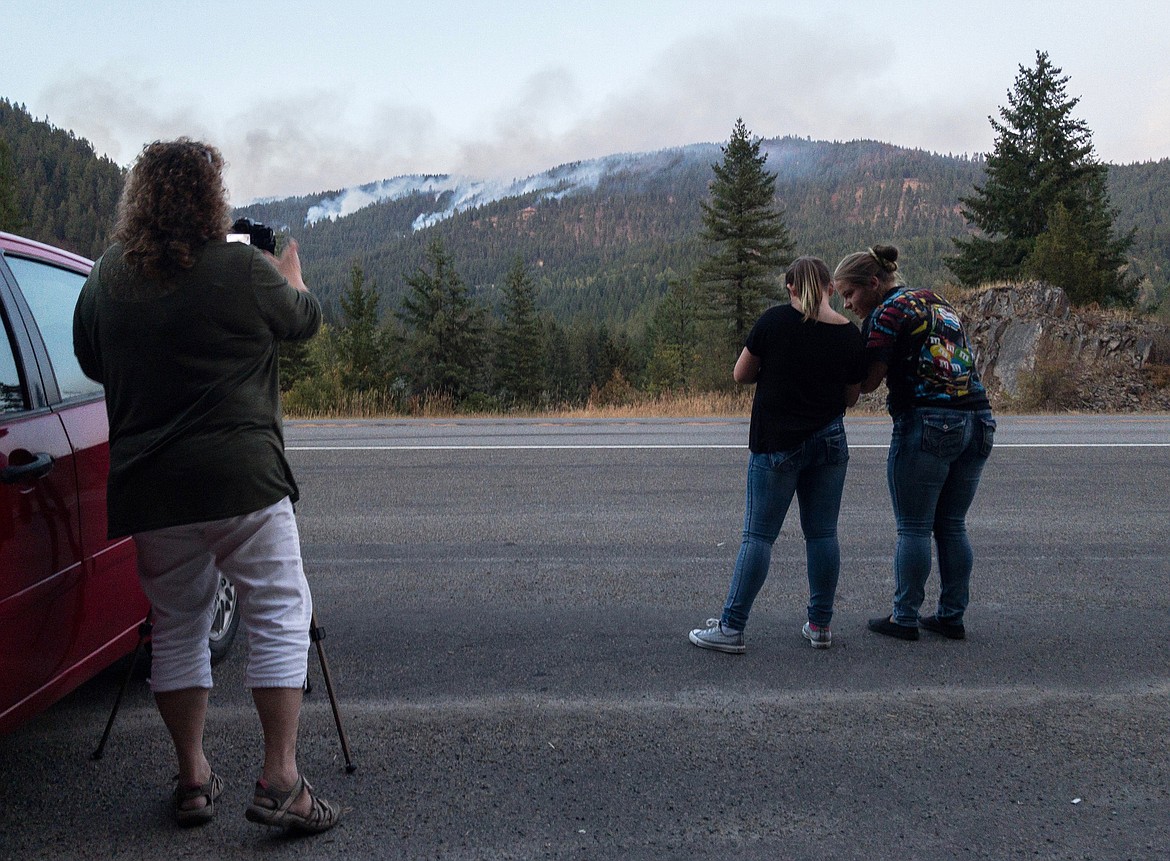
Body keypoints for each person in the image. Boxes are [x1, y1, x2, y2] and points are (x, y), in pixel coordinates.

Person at [72, 139, 341, 833]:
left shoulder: (106, 278)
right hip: (243, 481)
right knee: (280, 609)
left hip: (153, 490)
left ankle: (193, 777)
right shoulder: (243, 270)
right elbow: (305, 322)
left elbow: (89, 356)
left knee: (179, 627)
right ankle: (280, 778)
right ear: (210, 199)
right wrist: (292, 274)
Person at [689, 257, 865, 653]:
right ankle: (820, 625)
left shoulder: (773, 322)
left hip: (777, 443)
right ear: (830, 288)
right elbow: (851, 397)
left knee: (759, 537)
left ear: (789, 287)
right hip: (830, 441)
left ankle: (732, 627)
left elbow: (740, 374)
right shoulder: (849, 335)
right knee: (822, 534)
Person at [833, 245, 995, 642]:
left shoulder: (887, 313)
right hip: (978, 419)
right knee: (952, 525)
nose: (849, 304)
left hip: (927, 422)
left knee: (915, 528)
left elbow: (867, 383)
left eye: (850, 294)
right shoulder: (934, 300)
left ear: (873, 283)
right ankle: (951, 615)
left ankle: (904, 617)